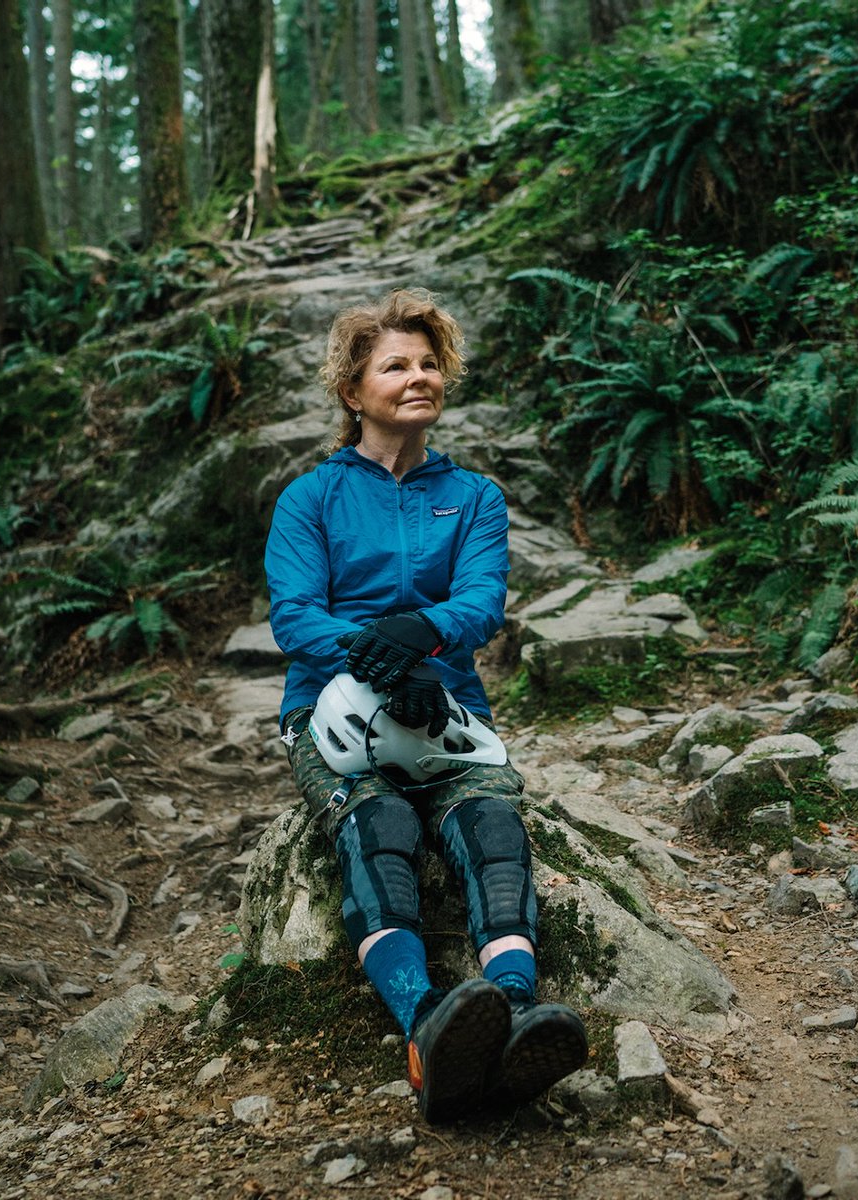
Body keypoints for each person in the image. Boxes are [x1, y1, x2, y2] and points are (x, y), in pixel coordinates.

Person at [264, 288, 587, 1124]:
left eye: (429, 362)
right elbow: (296, 616)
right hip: (328, 710)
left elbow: (481, 600)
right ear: (352, 390)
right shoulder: (311, 499)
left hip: (449, 707)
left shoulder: (475, 496)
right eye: (395, 365)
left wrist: (423, 640)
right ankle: (426, 1028)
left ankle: (511, 1009)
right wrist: (382, 658)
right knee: (381, 829)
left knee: (491, 826)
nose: (419, 377)